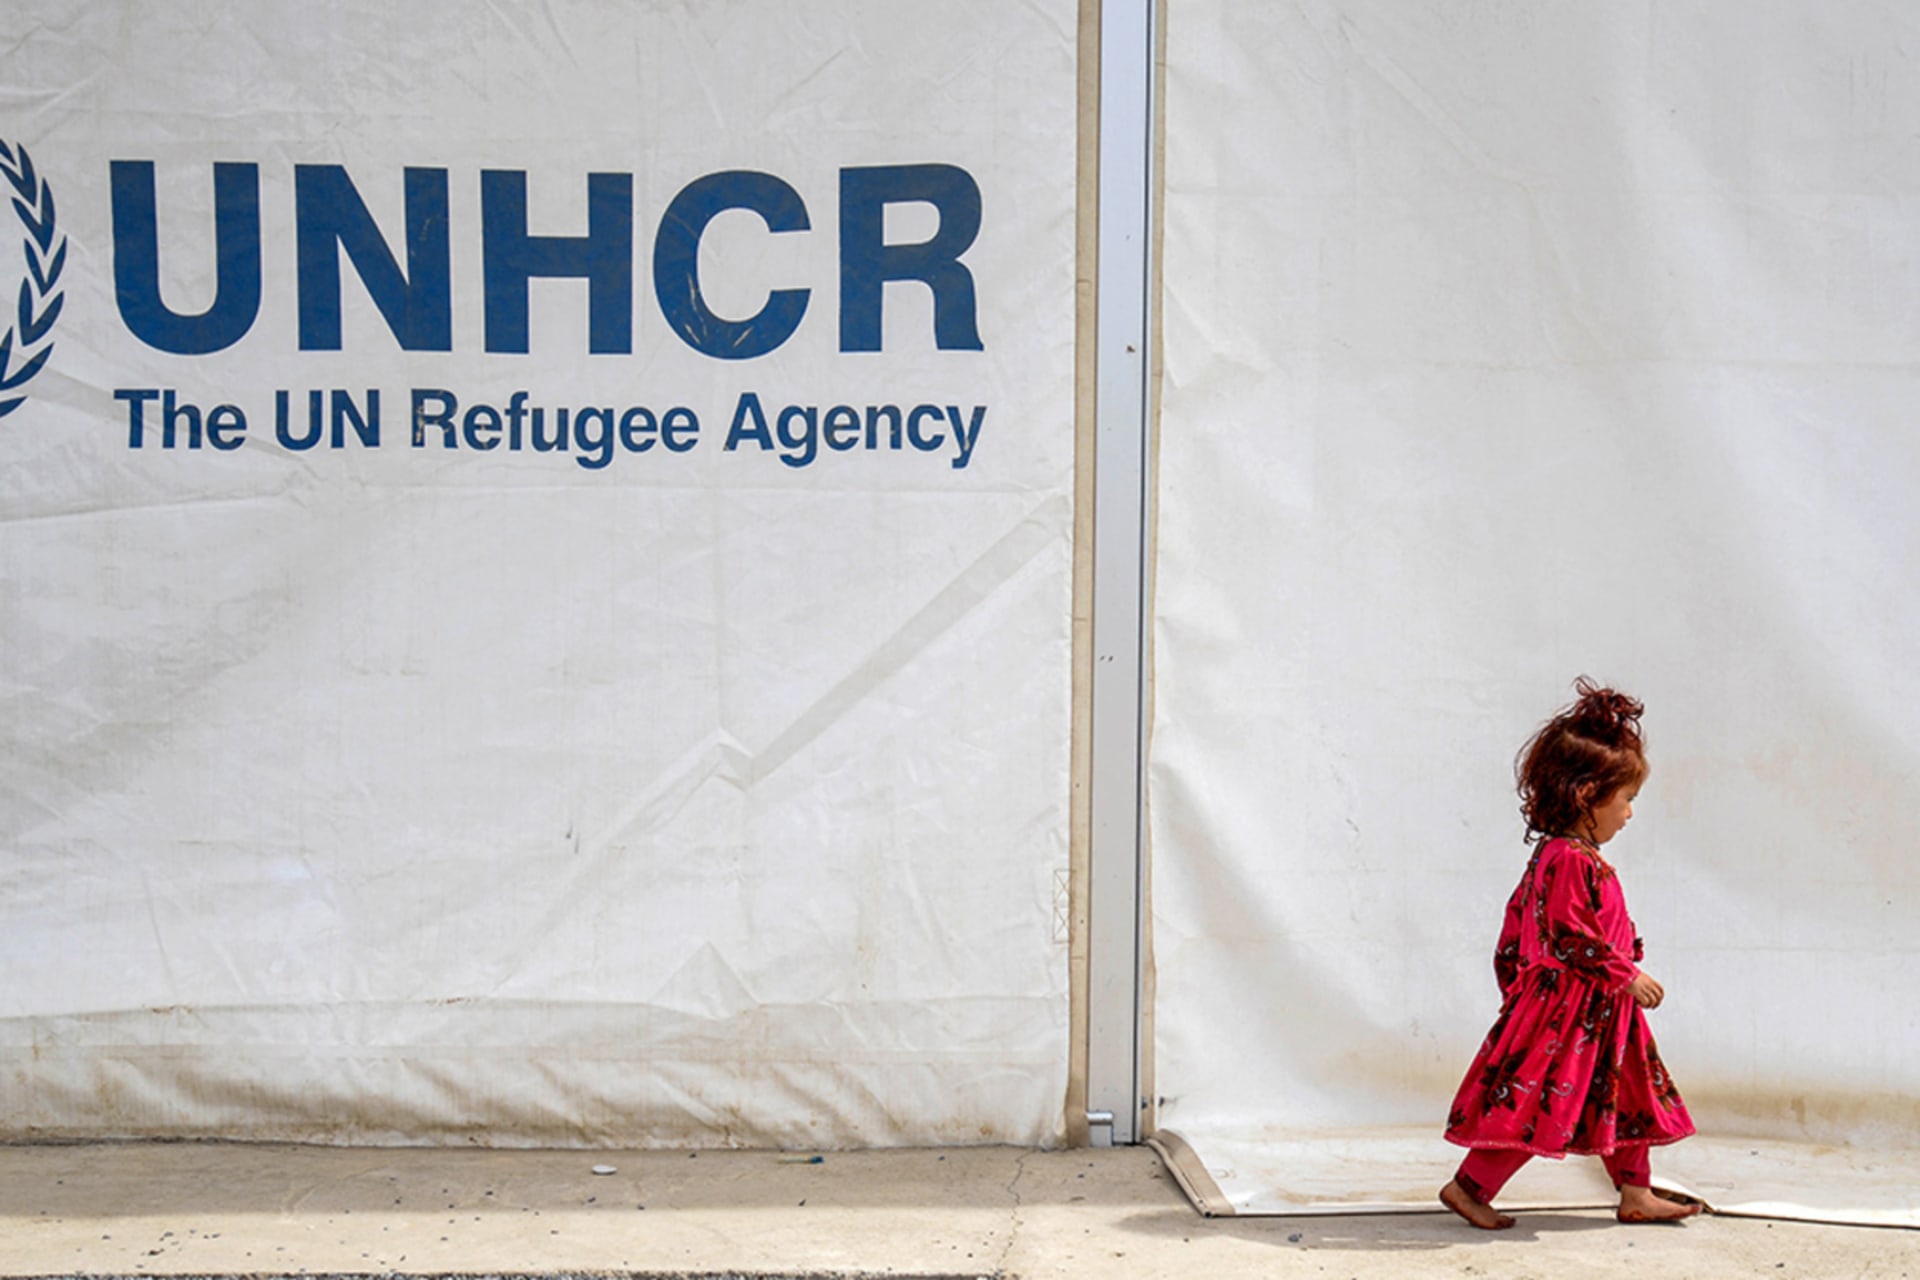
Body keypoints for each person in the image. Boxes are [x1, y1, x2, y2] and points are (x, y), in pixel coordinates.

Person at [1439, 679, 1699, 1228]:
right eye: (1626, 799)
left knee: (1629, 1095)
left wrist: (1519, 982)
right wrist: (1621, 972)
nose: (1629, 813)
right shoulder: (1568, 859)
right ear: (1587, 796)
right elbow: (1568, 934)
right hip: (1573, 1015)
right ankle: (1469, 1187)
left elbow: (1515, 933)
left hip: (1603, 1012)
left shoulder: (1565, 857)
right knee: (1538, 1104)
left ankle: (1635, 1192)